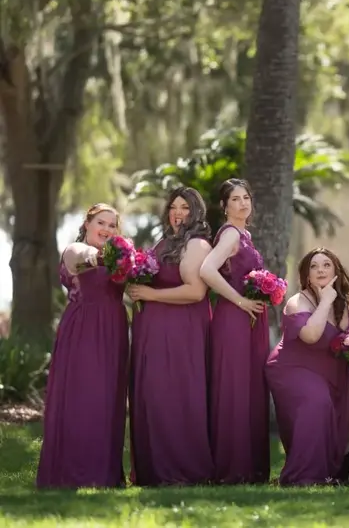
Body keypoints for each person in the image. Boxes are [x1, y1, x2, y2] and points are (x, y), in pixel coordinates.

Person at [127, 187, 215, 486]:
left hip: (179, 331)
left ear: (196, 212)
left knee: (174, 395)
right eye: (174, 207)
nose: (178, 212)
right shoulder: (165, 242)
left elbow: (195, 291)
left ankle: (182, 469)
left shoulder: (197, 244)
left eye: (185, 207)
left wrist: (150, 293)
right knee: (153, 396)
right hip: (152, 329)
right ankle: (153, 469)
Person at [36, 203, 128, 489]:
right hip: (84, 330)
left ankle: (105, 475)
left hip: (114, 328)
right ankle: (74, 472)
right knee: (84, 396)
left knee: (109, 399)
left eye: (113, 225)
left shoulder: (119, 257)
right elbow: (85, 258)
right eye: (101, 222)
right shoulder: (75, 250)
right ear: (87, 224)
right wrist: (109, 256)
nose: (107, 229)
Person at [266, 248, 349, 485]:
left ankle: (332, 473)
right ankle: (305, 476)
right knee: (317, 403)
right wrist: (326, 300)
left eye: (326, 265)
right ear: (307, 274)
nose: (320, 269)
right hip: (294, 368)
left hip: (332, 372)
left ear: (336, 271)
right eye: (314, 266)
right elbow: (311, 335)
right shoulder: (298, 301)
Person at [200, 178, 271, 484]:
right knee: (234, 389)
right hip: (233, 320)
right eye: (236, 199)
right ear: (224, 206)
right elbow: (206, 270)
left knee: (248, 388)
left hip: (249, 319)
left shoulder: (245, 234)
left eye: (246, 197)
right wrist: (241, 301)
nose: (243, 203)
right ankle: (232, 467)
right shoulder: (230, 235)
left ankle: (249, 466)